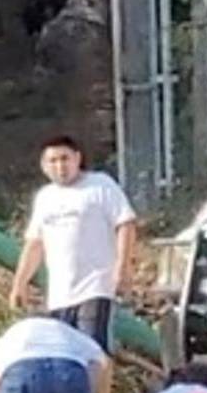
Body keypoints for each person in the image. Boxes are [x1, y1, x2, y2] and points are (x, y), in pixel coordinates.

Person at [12, 135, 137, 354]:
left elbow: (125, 224)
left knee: (92, 352)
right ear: (43, 166)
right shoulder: (45, 197)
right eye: (53, 161)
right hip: (60, 294)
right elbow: (34, 244)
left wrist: (122, 267)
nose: (60, 166)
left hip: (95, 286)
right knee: (66, 354)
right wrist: (19, 284)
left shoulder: (100, 185)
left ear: (77, 158)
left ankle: (98, 390)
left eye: (65, 158)